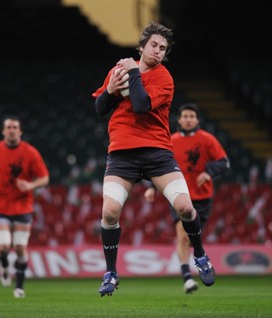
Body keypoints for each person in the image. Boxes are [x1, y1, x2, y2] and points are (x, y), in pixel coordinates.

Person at [92, 22, 215, 297]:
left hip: (157, 152)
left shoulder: (164, 78)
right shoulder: (118, 71)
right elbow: (99, 108)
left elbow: (141, 105)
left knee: (185, 207)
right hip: (122, 153)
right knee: (109, 212)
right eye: (154, 46)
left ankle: (200, 253)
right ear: (142, 46)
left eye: (163, 48)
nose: (158, 51)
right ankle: (111, 272)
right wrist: (111, 89)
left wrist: (133, 72)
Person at [144, 102, 230, 294]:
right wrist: (152, 188)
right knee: (182, 236)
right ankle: (187, 278)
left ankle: (198, 258)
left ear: (197, 120)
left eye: (192, 116)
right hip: (178, 195)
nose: (189, 119)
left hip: (202, 197)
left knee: (193, 238)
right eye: (186, 116)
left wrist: (208, 172)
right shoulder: (170, 140)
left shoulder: (207, 139)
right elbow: (160, 167)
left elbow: (224, 162)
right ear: (180, 120)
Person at [0, 116, 49, 298]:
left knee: (19, 247)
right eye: (8, 127)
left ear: (20, 131)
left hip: (22, 205)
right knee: (2, 247)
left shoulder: (30, 152)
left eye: (15, 127)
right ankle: (3, 264)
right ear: (4, 131)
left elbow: (44, 177)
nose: (11, 130)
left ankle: (19, 287)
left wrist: (30, 186)